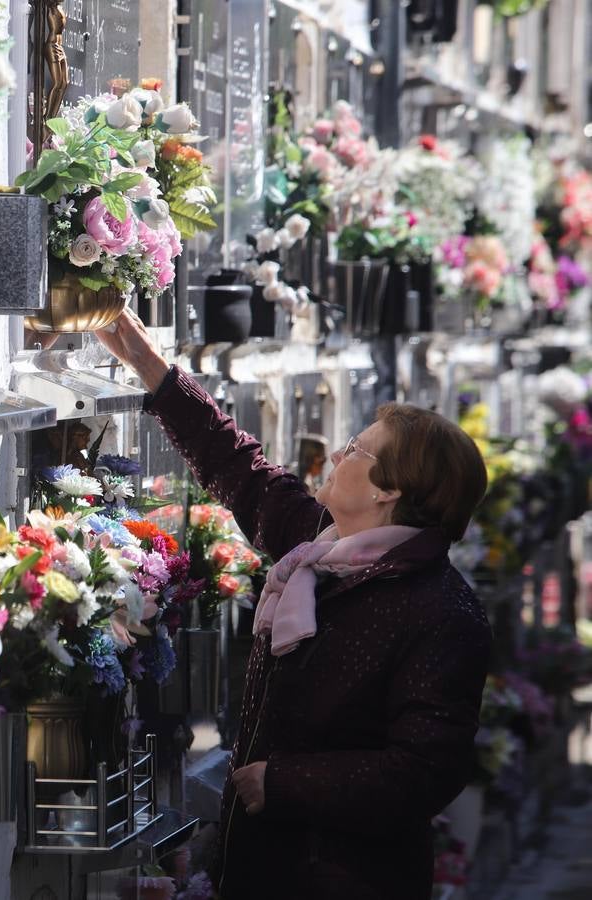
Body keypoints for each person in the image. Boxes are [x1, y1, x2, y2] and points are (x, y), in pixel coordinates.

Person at [94, 309, 492, 900]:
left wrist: (282, 783)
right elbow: (243, 472)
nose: (336, 455)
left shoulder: (439, 612)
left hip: (346, 880)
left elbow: (423, 773)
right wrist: (153, 370)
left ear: (388, 492)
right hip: (263, 865)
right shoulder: (324, 549)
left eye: (356, 450)